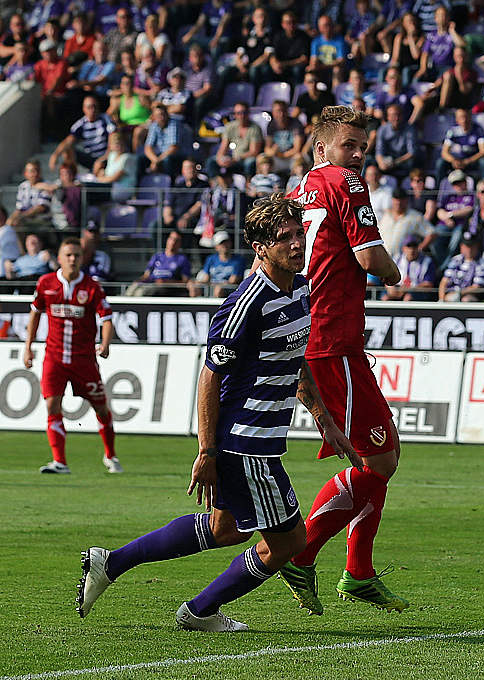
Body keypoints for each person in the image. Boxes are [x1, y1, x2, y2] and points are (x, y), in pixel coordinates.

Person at [76, 195, 361, 632]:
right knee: (288, 543)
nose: (295, 243)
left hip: (258, 440)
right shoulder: (245, 304)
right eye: (282, 238)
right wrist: (207, 451)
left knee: (227, 528)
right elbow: (209, 377)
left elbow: (294, 358)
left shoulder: (300, 288)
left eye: (296, 233)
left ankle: (110, 563)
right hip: (245, 442)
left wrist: (324, 419)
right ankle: (200, 610)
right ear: (260, 247)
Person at [277, 105, 407, 615]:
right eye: (348, 145)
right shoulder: (346, 185)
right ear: (322, 146)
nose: (356, 156)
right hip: (332, 340)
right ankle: (306, 554)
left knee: (377, 458)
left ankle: (357, 571)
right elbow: (373, 260)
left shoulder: (295, 195)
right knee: (379, 459)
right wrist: (397, 273)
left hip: (315, 339)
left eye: (362, 149)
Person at [25, 238, 118, 475]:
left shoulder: (92, 287)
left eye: (77, 255)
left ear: (82, 258)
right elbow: (35, 314)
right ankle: (60, 462)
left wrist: (105, 344)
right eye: (68, 255)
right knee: (51, 404)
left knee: (101, 407)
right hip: (54, 358)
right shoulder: (46, 283)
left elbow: (106, 319)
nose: (73, 260)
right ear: (59, 258)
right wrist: (28, 346)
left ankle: (110, 455)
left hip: (83, 360)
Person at [207, 103, 264, 180]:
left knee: (250, 162)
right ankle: (218, 187)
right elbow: (223, 148)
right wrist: (220, 159)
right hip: (232, 158)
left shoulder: (255, 128)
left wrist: (236, 159)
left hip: (245, 159)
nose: (241, 116)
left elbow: (254, 152)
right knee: (211, 162)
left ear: (248, 113)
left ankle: (249, 187)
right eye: (238, 113)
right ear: (235, 115)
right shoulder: (230, 127)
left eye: (244, 112)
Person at [127, 231, 192, 296]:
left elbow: (184, 282)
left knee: (140, 293)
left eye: (176, 240)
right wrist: (138, 281)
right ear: (167, 240)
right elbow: (146, 275)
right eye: (171, 238)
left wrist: (166, 282)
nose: (173, 242)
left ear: (180, 243)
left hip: (166, 287)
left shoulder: (182, 259)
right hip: (151, 282)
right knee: (131, 289)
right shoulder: (157, 256)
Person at [190, 231, 248, 298]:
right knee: (193, 287)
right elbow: (206, 278)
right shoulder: (211, 259)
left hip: (230, 289)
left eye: (226, 242)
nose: (224, 245)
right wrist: (194, 283)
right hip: (212, 287)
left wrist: (216, 286)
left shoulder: (239, 260)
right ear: (216, 247)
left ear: (230, 243)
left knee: (218, 289)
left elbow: (233, 281)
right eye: (221, 243)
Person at [438, 232, 484, 302]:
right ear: (461, 246)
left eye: (472, 246)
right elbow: (444, 281)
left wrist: (457, 294)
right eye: (466, 246)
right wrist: (442, 300)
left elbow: (477, 288)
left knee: (466, 300)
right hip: (451, 296)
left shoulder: (483, 264)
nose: (469, 249)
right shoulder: (456, 260)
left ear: (477, 246)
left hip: (474, 297)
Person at [385, 235, 436, 301]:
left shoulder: (427, 261)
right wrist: (390, 288)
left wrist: (407, 289)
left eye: (414, 247)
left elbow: (428, 284)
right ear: (403, 248)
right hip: (397, 288)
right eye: (409, 247)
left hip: (417, 290)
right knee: (385, 297)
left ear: (418, 247)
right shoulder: (396, 259)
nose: (412, 250)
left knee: (408, 298)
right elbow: (387, 277)